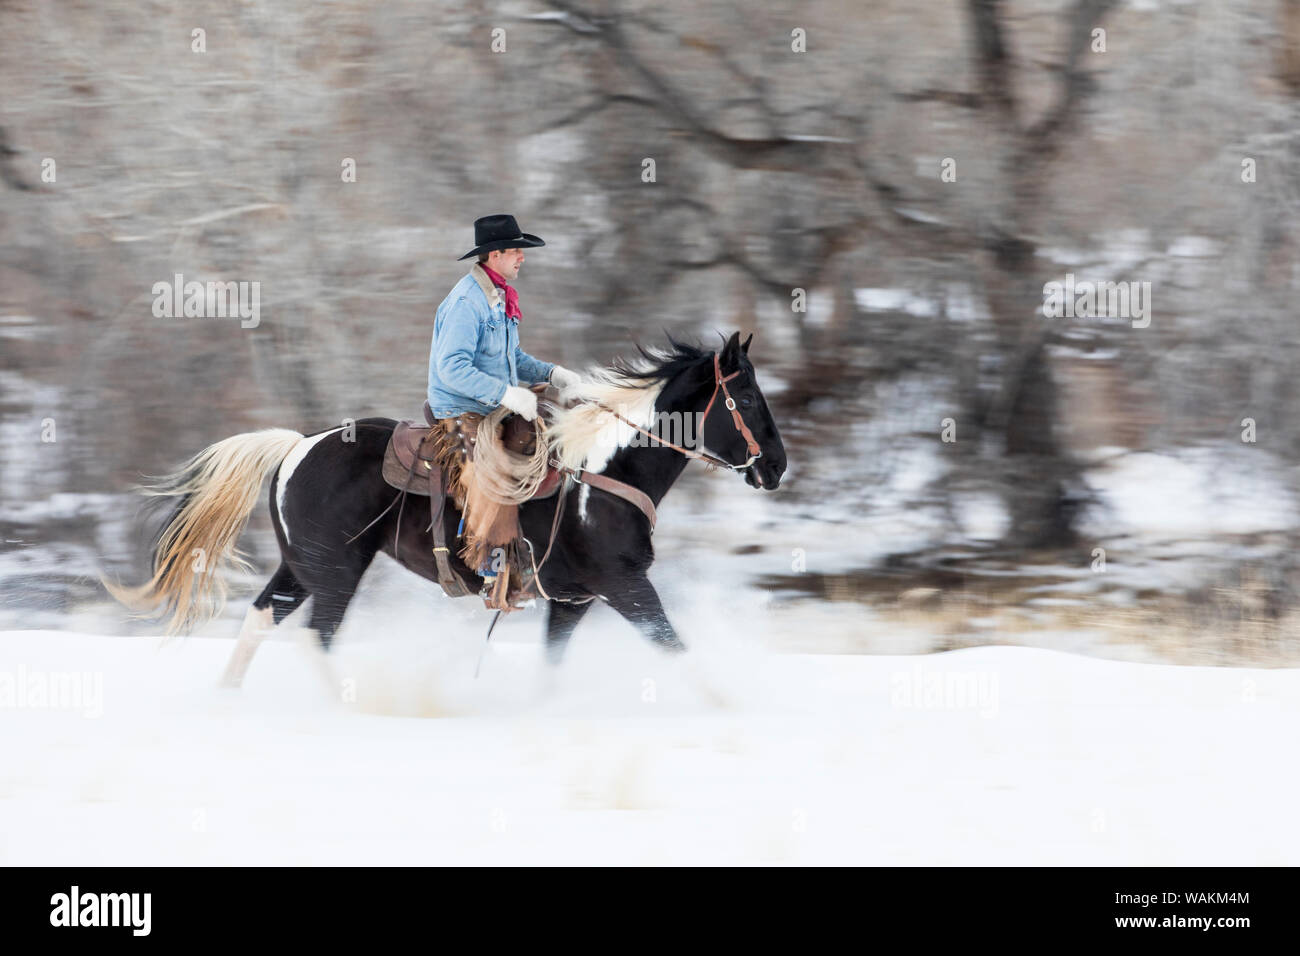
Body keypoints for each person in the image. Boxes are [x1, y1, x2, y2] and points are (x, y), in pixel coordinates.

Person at [426, 214, 580, 609]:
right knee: (494, 473)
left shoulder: (498, 296)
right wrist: (506, 394)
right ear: (494, 254)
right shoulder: (466, 302)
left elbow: (511, 357)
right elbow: (452, 367)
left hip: (491, 404)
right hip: (462, 410)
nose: (522, 259)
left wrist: (551, 373)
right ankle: (494, 572)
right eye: (516, 251)